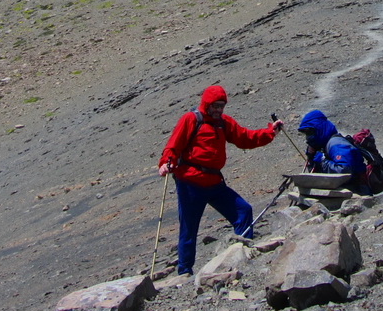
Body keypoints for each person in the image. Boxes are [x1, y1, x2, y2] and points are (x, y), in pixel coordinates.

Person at [158, 85, 283, 275]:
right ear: (207, 104)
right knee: (189, 228)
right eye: (215, 106)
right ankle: (184, 272)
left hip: (214, 181)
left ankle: (242, 255)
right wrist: (166, 163)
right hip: (190, 183)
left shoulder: (223, 122)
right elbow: (173, 146)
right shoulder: (191, 119)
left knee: (244, 211)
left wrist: (270, 132)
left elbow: (245, 138)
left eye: (221, 106)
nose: (218, 110)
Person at [297, 109, 370, 195]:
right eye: (306, 134)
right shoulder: (323, 145)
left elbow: (344, 171)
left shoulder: (336, 144)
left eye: (310, 132)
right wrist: (311, 158)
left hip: (356, 192)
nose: (308, 137)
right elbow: (316, 174)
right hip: (342, 192)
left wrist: (322, 160)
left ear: (319, 128)